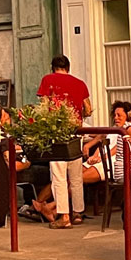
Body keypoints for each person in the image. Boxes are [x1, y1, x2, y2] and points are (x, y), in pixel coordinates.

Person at [32, 100, 131, 222]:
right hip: (101, 159)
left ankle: (52, 207)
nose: (116, 118)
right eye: (115, 115)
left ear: (127, 116)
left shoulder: (128, 130)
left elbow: (116, 149)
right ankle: (40, 206)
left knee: (77, 180)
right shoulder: (113, 129)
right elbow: (102, 139)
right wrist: (90, 148)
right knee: (65, 177)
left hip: (110, 163)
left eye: (119, 115)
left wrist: (100, 157)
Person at [37, 55, 91, 229]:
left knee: (59, 177)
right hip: (76, 133)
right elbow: (88, 109)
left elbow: (43, 106)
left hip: (58, 134)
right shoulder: (80, 83)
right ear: (68, 67)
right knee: (75, 177)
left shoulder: (48, 80)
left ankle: (64, 216)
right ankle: (77, 213)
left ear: (53, 67)